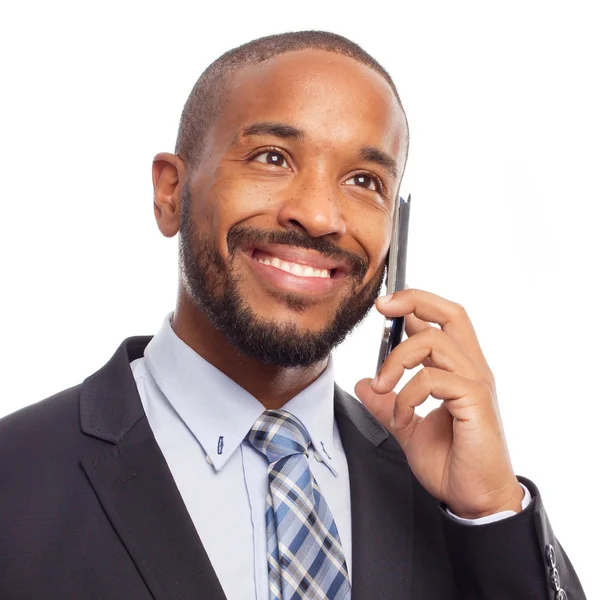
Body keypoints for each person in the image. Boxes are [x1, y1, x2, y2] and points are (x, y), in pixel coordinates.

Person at [0, 31, 586, 600]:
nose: (319, 214)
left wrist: (493, 514)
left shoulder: (448, 495)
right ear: (171, 192)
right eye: (273, 157)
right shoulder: (15, 476)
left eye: (364, 181)